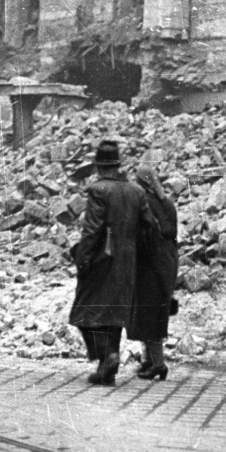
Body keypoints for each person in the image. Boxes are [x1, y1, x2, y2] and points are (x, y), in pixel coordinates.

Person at [68, 139, 153, 386]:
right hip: (128, 262)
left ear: (98, 166)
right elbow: (148, 224)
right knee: (114, 311)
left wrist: (82, 259)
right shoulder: (136, 191)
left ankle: (107, 356)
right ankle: (108, 366)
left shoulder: (99, 190)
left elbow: (92, 230)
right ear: (117, 164)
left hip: (102, 260)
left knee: (83, 311)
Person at [128, 164, 179, 381]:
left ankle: (158, 363)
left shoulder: (144, 204)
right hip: (168, 259)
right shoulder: (167, 202)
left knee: (148, 313)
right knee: (157, 310)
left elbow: (144, 236)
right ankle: (148, 360)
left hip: (150, 261)